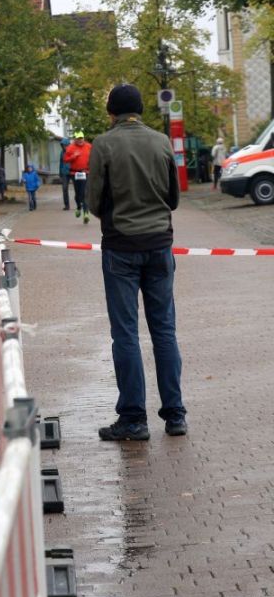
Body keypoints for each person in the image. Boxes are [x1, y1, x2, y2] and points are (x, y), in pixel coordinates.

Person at [88, 83, 187, 442]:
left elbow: (94, 203)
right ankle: (175, 414)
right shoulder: (161, 142)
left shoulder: (104, 144)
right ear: (141, 110)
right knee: (164, 331)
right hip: (160, 245)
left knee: (126, 333)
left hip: (121, 247)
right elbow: (173, 198)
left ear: (111, 113)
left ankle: (133, 419)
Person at [63, 131, 92, 222]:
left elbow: (94, 156)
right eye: (78, 138)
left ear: (83, 138)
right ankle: (79, 207)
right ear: (75, 139)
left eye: (81, 138)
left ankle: (86, 213)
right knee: (78, 193)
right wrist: (73, 156)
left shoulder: (89, 146)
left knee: (85, 193)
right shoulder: (70, 148)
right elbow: (65, 159)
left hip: (86, 172)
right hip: (75, 173)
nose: (80, 140)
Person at [59, 137, 72, 210]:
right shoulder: (62, 152)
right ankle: (67, 205)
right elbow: (61, 163)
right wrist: (60, 173)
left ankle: (80, 203)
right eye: (62, 145)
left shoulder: (72, 151)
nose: (64, 146)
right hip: (64, 172)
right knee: (64, 188)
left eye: (65, 145)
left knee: (78, 188)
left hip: (72, 171)